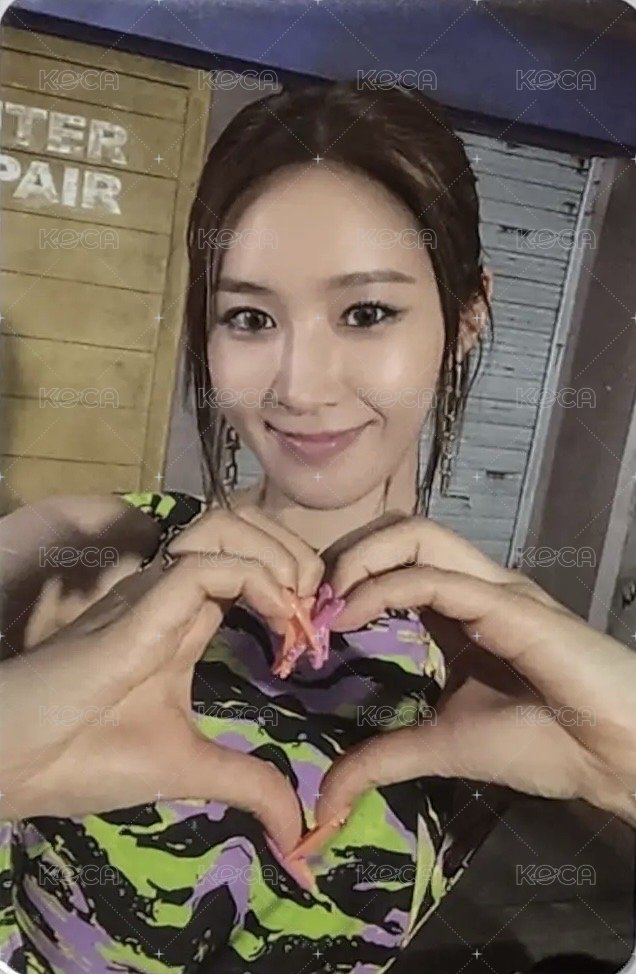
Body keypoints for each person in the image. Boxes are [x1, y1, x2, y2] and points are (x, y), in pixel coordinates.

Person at [1, 80, 634, 974]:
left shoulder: (501, 663)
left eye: (366, 313)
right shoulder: (77, 555)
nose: (300, 386)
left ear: (467, 316)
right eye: (250, 317)